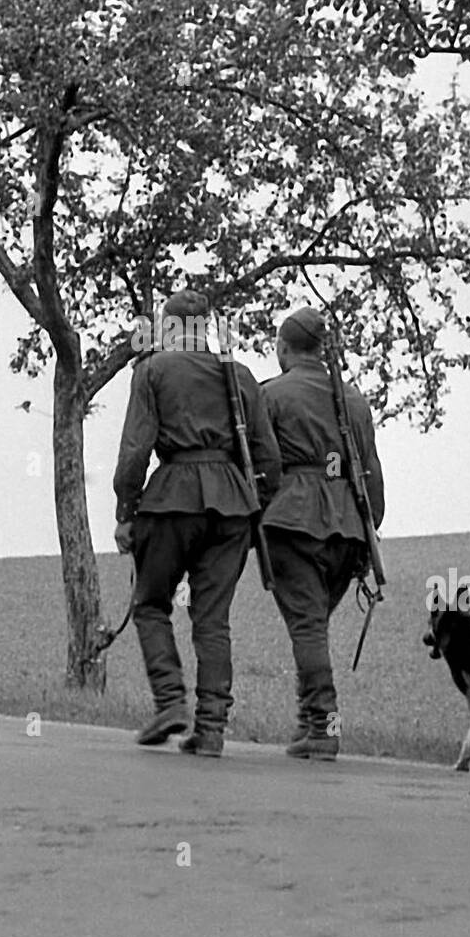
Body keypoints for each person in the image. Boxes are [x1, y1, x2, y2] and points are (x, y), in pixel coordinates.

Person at [113, 290, 281, 757]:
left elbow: (135, 452)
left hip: (172, 498)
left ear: (169, 327)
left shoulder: (152, 371)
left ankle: (170, 702)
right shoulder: (242, 376)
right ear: (205, 327)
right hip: (232, 506)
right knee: (212, 620)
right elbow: (269, 459)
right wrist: (253, 507)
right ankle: (210, 729)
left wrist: (126, 512)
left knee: (150, 603)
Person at [261, 306, 385, 760]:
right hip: (348, 528)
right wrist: (368, 527)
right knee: (312, 626)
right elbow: (371, 472)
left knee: (308, 626)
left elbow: (262, 466)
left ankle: (324, 728)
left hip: (293, 522)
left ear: (285, 348)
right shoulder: (354, 398)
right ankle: (307, 724)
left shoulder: (271, 395)